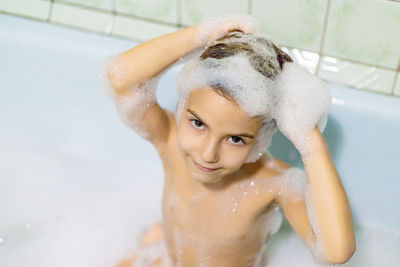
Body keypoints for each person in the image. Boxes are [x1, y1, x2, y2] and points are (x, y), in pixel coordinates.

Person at [103, 15, 355, 267]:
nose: (208, 153)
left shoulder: (274, 183)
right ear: (182, 107)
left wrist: (309, 140)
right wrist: (203, 35)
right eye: (198, 124)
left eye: (235, 139)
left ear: (263, 135)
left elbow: (335, 251)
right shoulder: (170, 139)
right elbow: (120, 78)